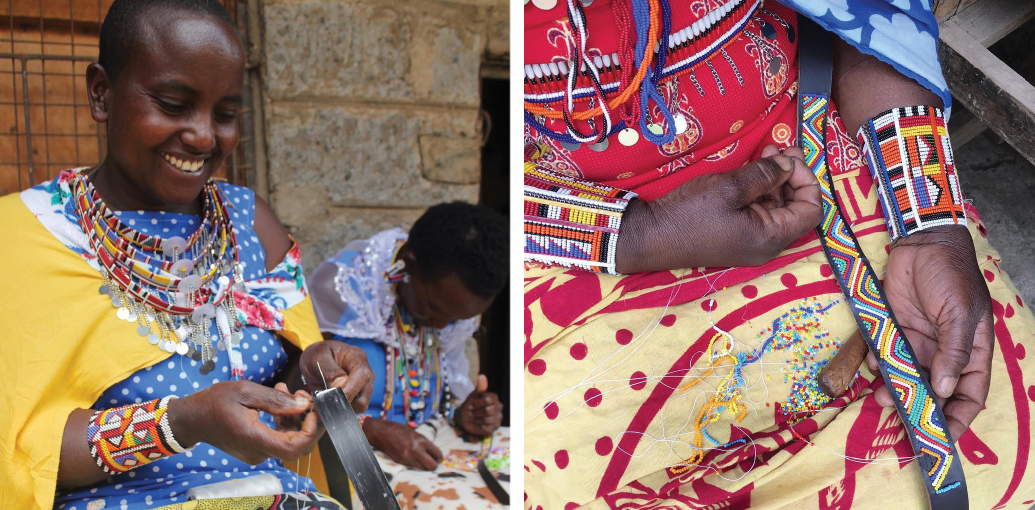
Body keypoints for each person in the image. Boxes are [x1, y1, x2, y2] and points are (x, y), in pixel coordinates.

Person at [522, 0, 1034, 508]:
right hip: (574, 234)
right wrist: (643, 233)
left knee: (1003, 446)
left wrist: (928, 221)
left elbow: (870, 11)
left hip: (815, 156)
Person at [0, 1, 375, 509]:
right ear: (101, 94)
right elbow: (23, 451)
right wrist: (183, 421)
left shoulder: (249, 220)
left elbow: (285, 383)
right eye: (174, 104)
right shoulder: (22, 238)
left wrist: (316, 370)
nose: (203, 136)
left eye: (225, 114)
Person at [309, 202, 511, 508]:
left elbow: (438, 392)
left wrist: (462, 413)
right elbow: (294, 394)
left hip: (424, 446)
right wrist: (372, 429)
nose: (443, 326)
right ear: (406, 265)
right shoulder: (343, 291)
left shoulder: (449, 305)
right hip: (343, 457)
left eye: (456, 319)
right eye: (434, 309)